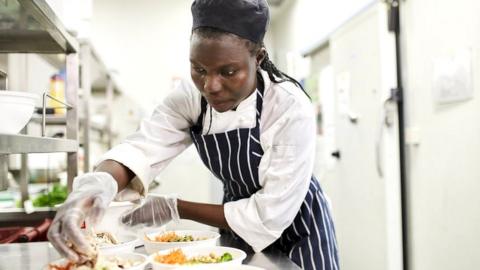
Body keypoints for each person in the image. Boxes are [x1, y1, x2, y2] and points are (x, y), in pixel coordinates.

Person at [47, 0, 339, 269]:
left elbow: (267, 216)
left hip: (299, 227)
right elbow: (143, 147)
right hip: (236, 225)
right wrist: (98, 184)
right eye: (199, 68)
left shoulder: (288, 105)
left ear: (259, 57)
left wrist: (174, 208)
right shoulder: (191, 97)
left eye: (228, 72)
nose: (210, 86)